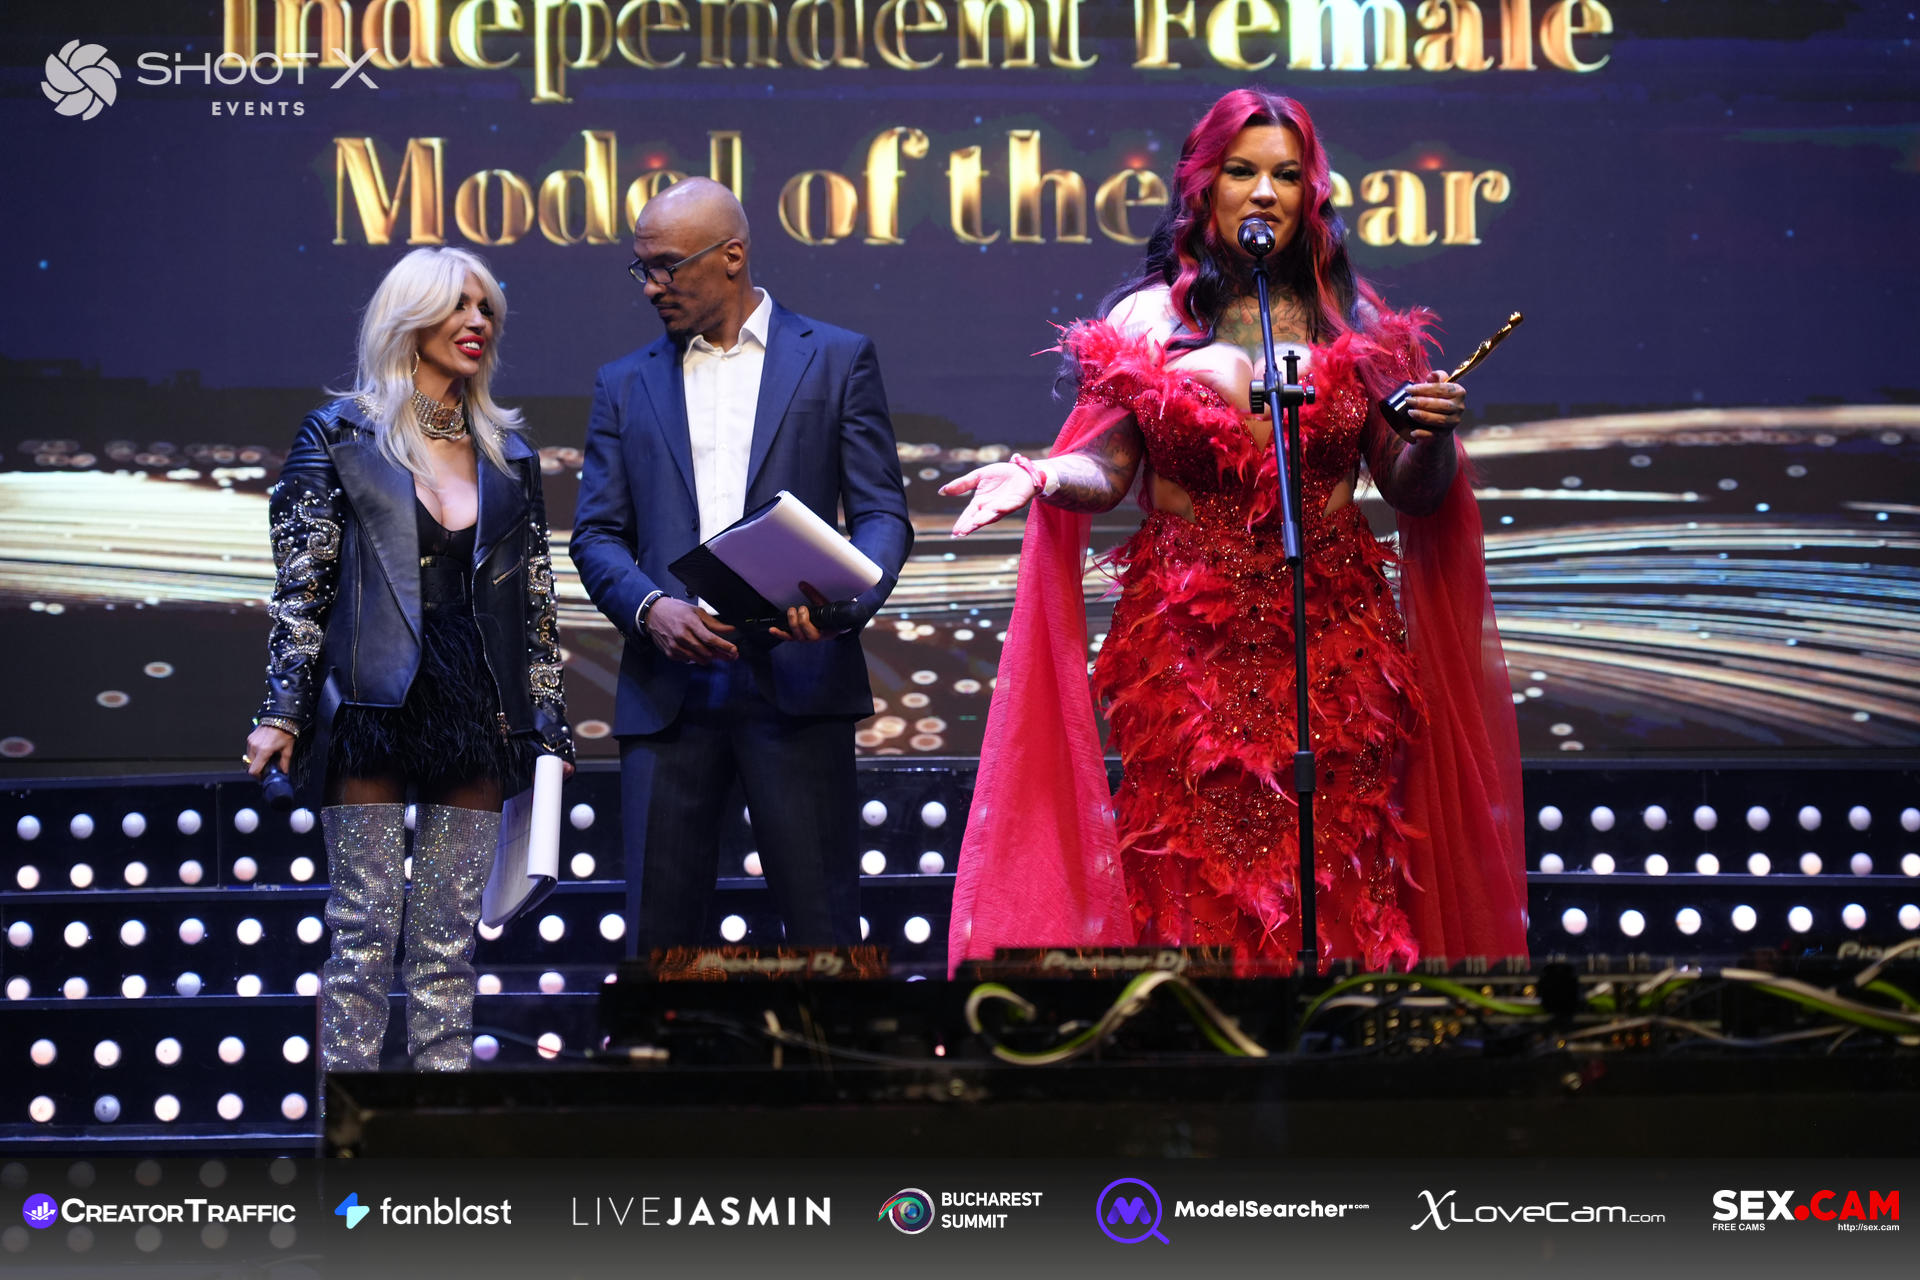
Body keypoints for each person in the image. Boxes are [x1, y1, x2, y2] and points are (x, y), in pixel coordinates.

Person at [944, 90, 1528, 971]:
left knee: (1337, 861)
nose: (1264, 192)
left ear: (1311, 194)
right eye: (1241, 172)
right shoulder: (1147, 321)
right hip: (1187, 647)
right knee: (1193, 865)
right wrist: (1040, 475)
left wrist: (1434, 437)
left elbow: (1412, 490)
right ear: (1202, 187)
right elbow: (1105, 468)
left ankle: (1328, 1035)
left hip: (1334, 641)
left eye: (1286, 175)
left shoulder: (1358, 326)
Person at [243, 246, 575, 1072]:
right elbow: (303, 585)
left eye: (486, 308)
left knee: (447, 945)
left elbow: (534, 603)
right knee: (362, 934)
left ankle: (442, 1131)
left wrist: (548, 728)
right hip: (370, 702)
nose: (477, 321)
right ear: (410, 317)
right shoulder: (339, 434)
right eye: (458, 305)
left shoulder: (508, 453)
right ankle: (353, 1134)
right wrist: (282, 711)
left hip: (477, 704)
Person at [571, 178, 912, 951]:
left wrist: (845, 603)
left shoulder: (836, 357)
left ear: (732, 256)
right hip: (670, 689)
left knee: (826, 939)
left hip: (800, 674)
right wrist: (650, 609)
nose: (652, 286)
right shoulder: (623, 382)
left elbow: (882, 514)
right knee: (660, 949)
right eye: (643, 269)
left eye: (666, 266)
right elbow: (596, 535)